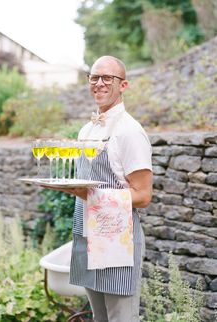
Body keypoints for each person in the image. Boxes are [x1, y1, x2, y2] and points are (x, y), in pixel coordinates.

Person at [45, 56, 153, 322]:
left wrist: (91, 195)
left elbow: (143, 195)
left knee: (121, 319)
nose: (99, 83)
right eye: (94, 77)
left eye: (108, 78)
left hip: (117, 241)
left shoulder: (130, 132)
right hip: (87, 235)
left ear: (123, 85)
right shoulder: (86, 130)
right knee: (99, 318)